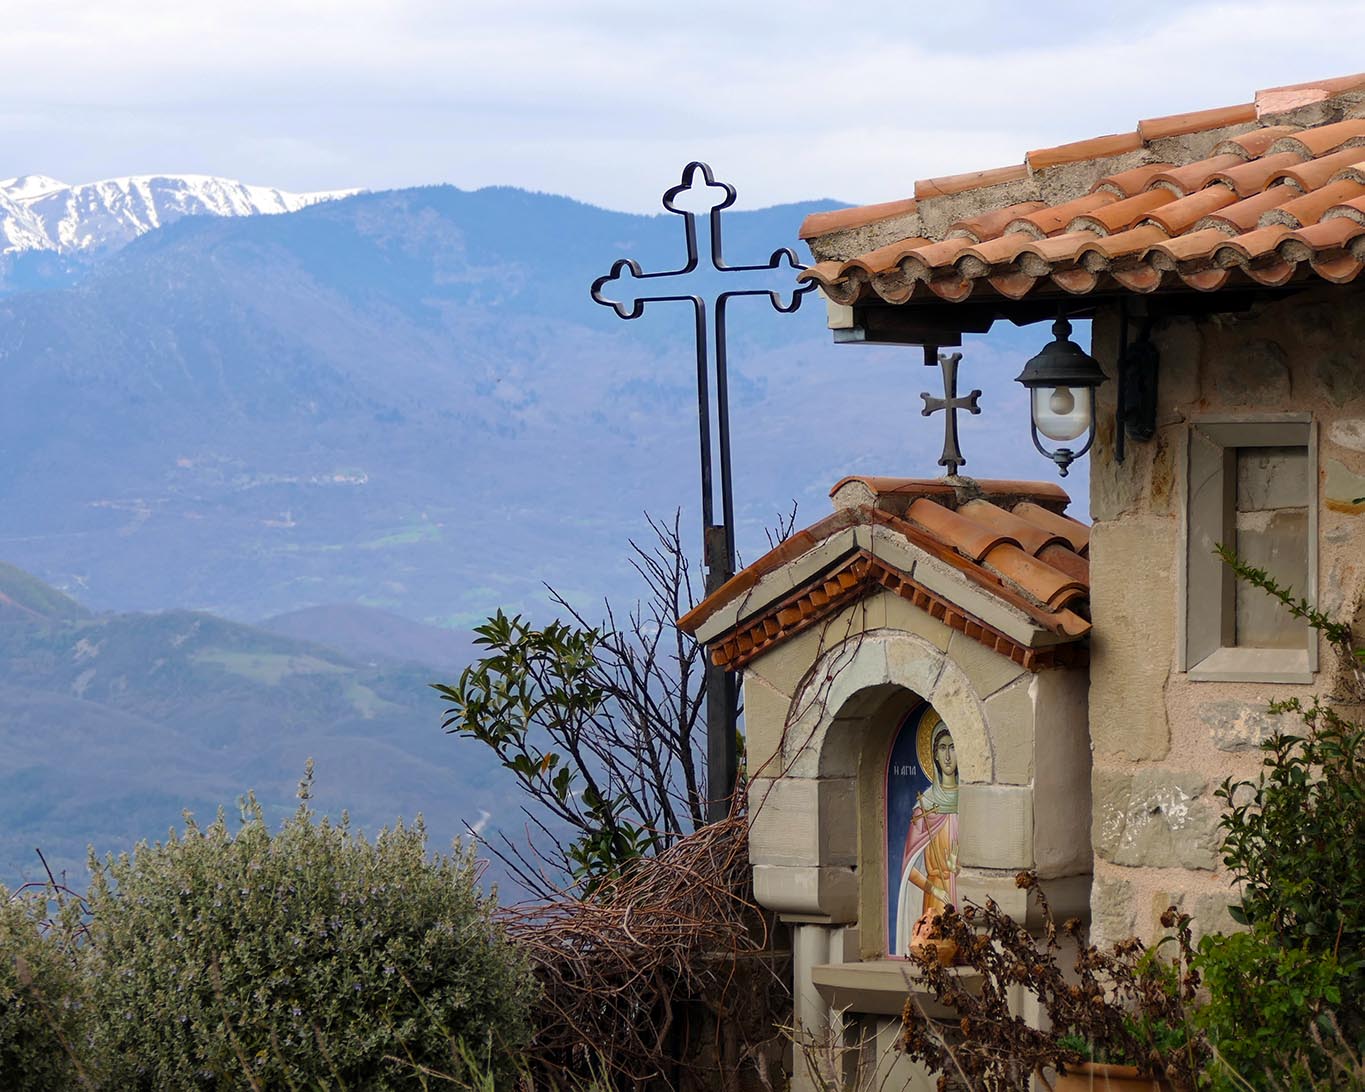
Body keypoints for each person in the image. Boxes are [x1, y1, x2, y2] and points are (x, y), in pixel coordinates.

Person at [894, 714, 959, 957]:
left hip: (964, 894)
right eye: (942, 748)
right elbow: (907, 868)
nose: (948, 755)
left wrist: (958, 866)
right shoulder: (926, 805)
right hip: (935, 901)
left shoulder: (972, 798)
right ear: (933, 755)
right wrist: (934, 889)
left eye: (953, 747)